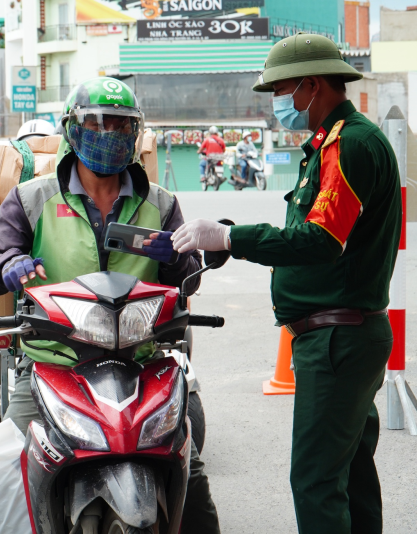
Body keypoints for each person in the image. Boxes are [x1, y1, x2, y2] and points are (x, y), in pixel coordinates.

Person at [170, 33, 401, 534]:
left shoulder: (349, 143)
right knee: (351, 474)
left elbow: (319, 239)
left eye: (283, 91)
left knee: (317, 482)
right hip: (342, 334)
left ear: (313, 85)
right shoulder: (331, 144)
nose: (280, 103)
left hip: (337, 339)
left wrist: (234, 238)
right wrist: (233, 240)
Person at [0, 78, 220, 534]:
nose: (109, 134)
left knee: (190, 471)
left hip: (140, 360)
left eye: (122, 126)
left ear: (135, 133)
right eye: (97, 123)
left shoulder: (160, 203)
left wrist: (180, 258)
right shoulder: (33, 198)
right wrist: (7, 264)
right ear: (73, 129)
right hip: (56, 360)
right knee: (7, 471)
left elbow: (190, 278)